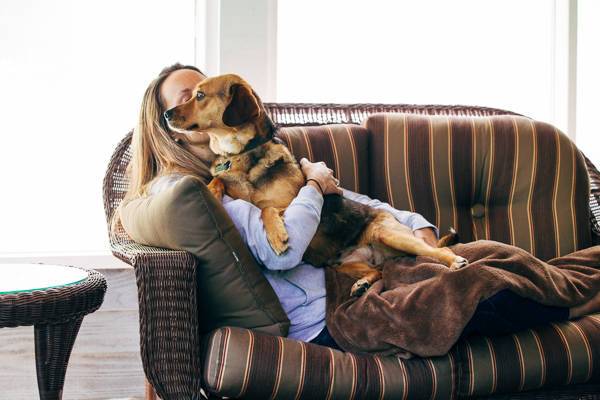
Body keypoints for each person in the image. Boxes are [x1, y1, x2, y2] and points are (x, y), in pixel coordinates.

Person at [114, 63, 600, 351]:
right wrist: (313, 188)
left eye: (201, 96)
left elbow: (354, 205)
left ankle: (579, 281)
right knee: (477, 284)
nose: (190, 109)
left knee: (494, 252)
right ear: (167, 127)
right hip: (329, 307)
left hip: (362, 270)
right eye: (183, 101)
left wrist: (417, 229)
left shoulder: (261, 158)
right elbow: (282, 252)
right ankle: (583, 299)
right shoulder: (206, 194)